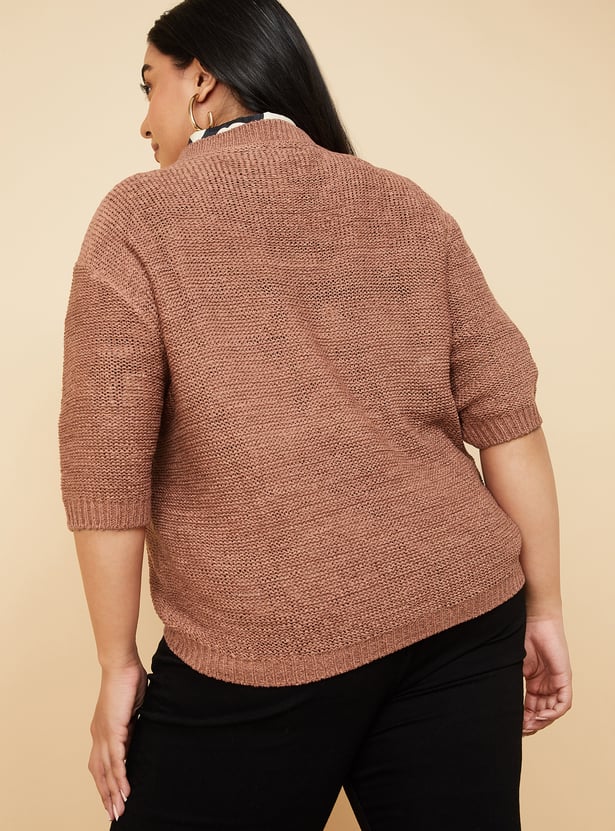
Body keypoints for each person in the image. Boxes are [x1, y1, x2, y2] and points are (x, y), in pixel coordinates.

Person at [58, 1, 572, 828]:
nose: (143, 120)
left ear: (202, 80)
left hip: (263, 638)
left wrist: (117, 663)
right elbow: (508, 417)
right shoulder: (401, 202)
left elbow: (105, 471)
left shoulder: (138, 219)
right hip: (463, 612)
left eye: (149, 85)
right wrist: (542, 609)